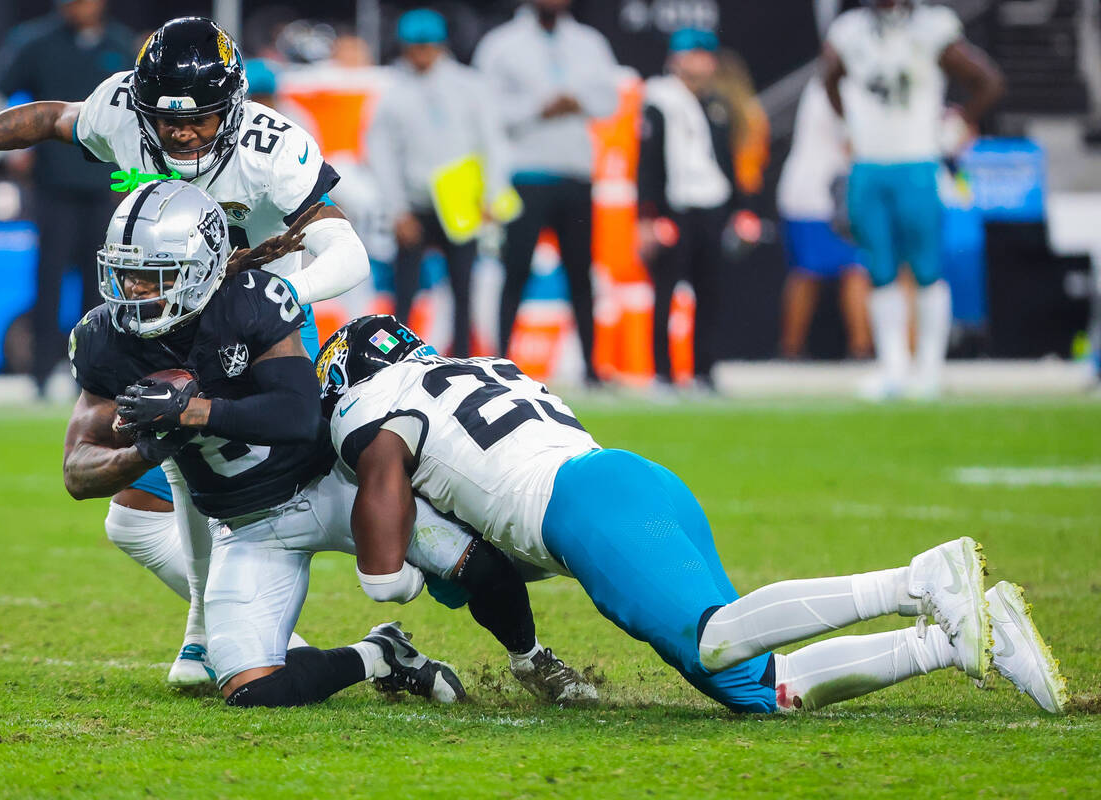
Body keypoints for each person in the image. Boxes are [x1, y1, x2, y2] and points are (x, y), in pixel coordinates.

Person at [316, 314, 1068, 714]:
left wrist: (389, 569)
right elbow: (480, 561)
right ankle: (963, 636)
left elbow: (388, 558)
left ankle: (917, 579)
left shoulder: (370, 406)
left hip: (581, 507)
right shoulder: (475, 367)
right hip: (625, 483)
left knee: (717, 637)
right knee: (758, 688)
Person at [0, 17, 372, 689]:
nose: (182, 132)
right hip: (169, 321)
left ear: (234, 104)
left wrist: (280, 292)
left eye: (200, 118)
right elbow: (52, 118)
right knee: (137, 519)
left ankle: (428, 558)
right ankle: (212, 633)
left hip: (258, 326)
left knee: (293, 484)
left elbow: (349, 250)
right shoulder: (121, 110)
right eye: (164, 118)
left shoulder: (268, 146)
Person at [64, 179, 463, 707]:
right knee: (248, 685)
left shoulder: (253, 299)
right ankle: (375, 653)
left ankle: (532, 657)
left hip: (328, 483)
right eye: (125, 272)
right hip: (250, 525)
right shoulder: (104, 336)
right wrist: (146, 451)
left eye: (151, 275)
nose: (133, 290)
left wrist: (195, 412)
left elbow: (297, 415)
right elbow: (77, 471)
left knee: (466, 562)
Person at [823, 0, 1004, 398]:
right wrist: (848, 123)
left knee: (926, 266)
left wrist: (955, 121)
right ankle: (894, 367)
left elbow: (988, 80)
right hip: (869, 164)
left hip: (917, 162)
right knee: (880, 267)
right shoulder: (850, 29)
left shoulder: (931, 26)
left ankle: (929, 368)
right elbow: (829, 77)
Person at [0, 0, 135, 398]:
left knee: (100, 286)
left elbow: (136, 112)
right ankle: (38, 376)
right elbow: (1, 90)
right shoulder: (36, 41)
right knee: (48, 280)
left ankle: (89, 376)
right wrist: (14, 150)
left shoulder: (119, 43)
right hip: (53, 184)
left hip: (105, 186)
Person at [473, 0, 618, 385]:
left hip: (574, 172)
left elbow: (610, 101)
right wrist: (539, 108)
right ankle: (498, 365)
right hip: (526, 173)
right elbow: (486, 110)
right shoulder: (501, 44)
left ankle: (591, 368)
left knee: (580, 274)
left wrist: (579, 102)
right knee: (515, 271)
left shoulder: (590, 42)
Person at [365, 8, 513, 358]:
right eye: (413, 48)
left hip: (461, 206)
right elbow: (382, 155)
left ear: (440, 46)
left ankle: (461, 359)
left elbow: (492, 142)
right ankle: (395, 361)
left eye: (426, 47)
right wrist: (397, 210)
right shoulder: (391, 93)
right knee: (405, 292)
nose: (420, 55)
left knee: (463, 290)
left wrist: (492, 195)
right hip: (415, 205)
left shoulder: (470, 86)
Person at [637, 28, 745, 394]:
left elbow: (727, 161)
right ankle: (663, 374)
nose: (697, 61)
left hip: (711, 206)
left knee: (711, 292)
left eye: (703, 54)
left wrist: (739, 210)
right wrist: (648, 216)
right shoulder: (659, 100)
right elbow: (647, 163)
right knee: (666, 292)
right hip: (675, 208)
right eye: (690, 54)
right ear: (674, 58)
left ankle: (704, 371)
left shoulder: (716, 105)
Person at [776, 76, 872, 360]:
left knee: (809, 272)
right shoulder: (843, 85)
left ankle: (792, 350)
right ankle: (861, 349)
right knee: (853, 269)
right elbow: (854, 144)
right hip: (822, 195)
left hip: (807, 192)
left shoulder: (824, 82)